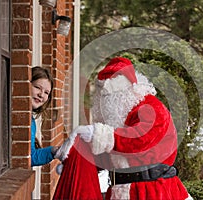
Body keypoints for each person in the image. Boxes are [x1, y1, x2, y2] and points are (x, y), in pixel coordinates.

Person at [53, 57, 193, 200]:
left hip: (153, 191)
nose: (107, 103)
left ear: (129, 88)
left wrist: (99, 135)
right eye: (104, 97)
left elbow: (140, 139)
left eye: (112, 95)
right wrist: (78, 163)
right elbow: (110, 156)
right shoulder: (118, 122)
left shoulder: (151, 107)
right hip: (119, 190)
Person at [31, 66, 59, 166]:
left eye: (46, 92)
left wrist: (54, 150)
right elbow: (31, 157)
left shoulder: (30, 120)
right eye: (37, 87)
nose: (41, 95)